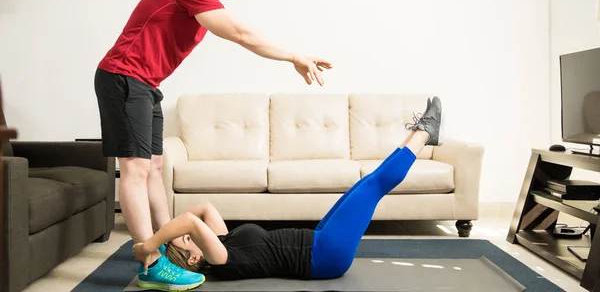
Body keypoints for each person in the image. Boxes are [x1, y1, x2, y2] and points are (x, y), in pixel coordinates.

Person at [94, 0, 332, 290]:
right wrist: (295, 56)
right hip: (123, 76)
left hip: (145, 83)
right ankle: (149, 261)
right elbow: (239, 33)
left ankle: (172, 246)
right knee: (136, 168)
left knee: (155, 168)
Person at [132, 96, 442, 284]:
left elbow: (202, 212)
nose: (195, 234)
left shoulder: (223, 241)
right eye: (189, 242)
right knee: (374, 187)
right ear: (192, 260)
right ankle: (425, 133)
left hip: (319, 241)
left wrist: (168, 242)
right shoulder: (221, 260)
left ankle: (420, 132)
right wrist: (150, 245)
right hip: (324, 256)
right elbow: (190, 222)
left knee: (365, 183)